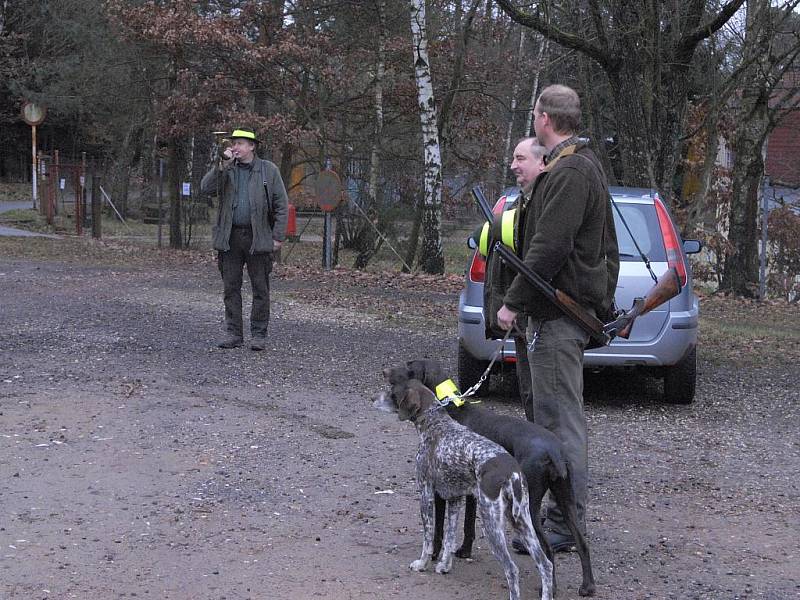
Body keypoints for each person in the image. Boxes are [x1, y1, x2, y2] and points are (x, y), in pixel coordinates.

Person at [496, 85, 619, 552]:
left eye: (534, 114)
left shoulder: (570, 173)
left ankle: (564, 525)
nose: (533, 120)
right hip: (557, 312)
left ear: (545, 117)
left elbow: (548, 250)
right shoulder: (577, 168)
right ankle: (555, 521)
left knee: (559, 425)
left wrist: (513, 303)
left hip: (558, 314)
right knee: (548, 420)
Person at [201, 128, 288, 350]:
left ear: (252, 146)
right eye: (233, 143)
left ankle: (259, 334)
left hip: (258, 237)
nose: (235, 147)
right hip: (230, 237)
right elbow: (206, 188)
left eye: (239, 143)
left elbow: (281, 205)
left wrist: (278, 236)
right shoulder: (226, 170)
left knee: (260, 288)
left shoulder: (268, 171)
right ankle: (233, 333)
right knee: (231, 287)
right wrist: (221, 166)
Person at [484, 138, 546, 421]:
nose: (512, 166)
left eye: (520, 159)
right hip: (525, 318)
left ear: (541, 161)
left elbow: (542, 260)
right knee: (530, 394)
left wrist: (512, 303)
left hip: (544, 318)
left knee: (547, 400)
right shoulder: (523, 202)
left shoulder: (547, 202)